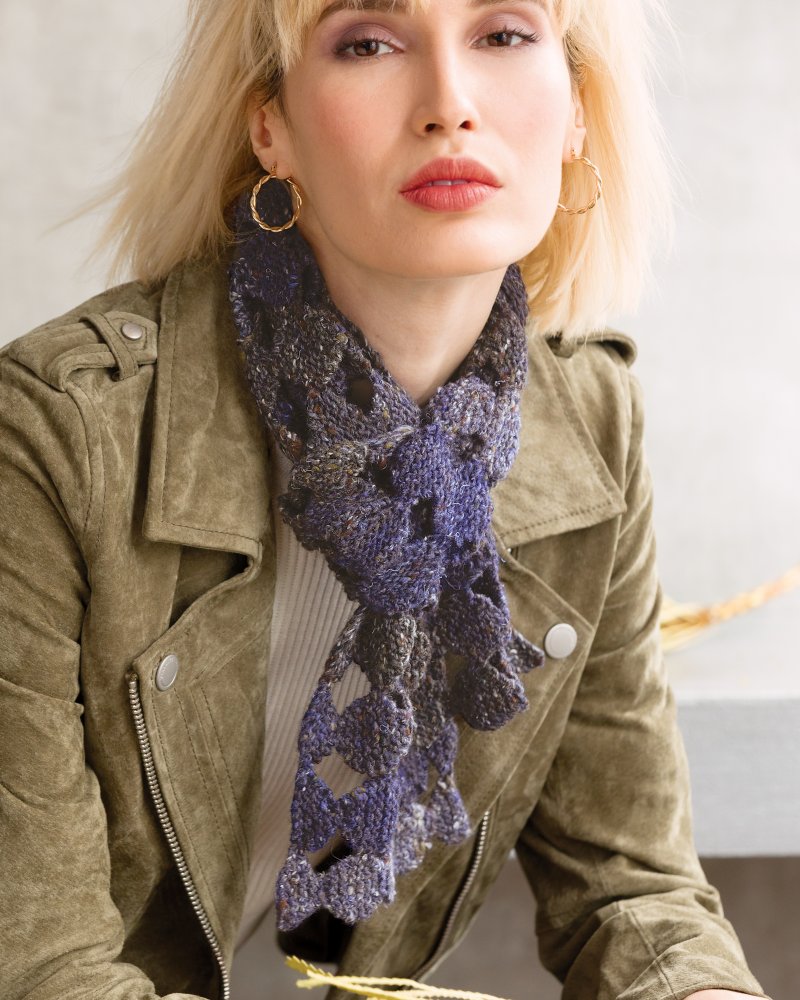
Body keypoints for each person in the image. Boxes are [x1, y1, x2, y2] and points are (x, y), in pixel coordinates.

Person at [0, 1, 771, 999]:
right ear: (270, 127)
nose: (449, 104)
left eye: (503, 35)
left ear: (579, 110)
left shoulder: (587, 420)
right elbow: (42, 969)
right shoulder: (60, 432)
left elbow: (630, 895)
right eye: (367, 43)